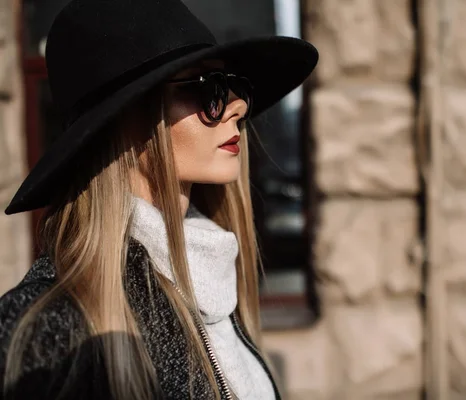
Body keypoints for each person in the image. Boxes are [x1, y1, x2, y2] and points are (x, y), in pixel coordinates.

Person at [0, 0, 318, 399]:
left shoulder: (215, 281)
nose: (237, 106)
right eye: (207, 88)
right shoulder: (49, 329)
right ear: (124, 120)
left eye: (235, 86)